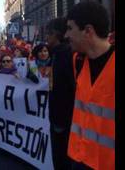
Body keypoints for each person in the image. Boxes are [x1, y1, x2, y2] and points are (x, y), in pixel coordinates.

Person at [65, 2, 115, 170]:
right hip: (79, 158)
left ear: (87, 31)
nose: (66, 35)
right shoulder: (76, 61)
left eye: (70, 28)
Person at [45, 18, 76, 170]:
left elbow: (72, 87)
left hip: (63, 121)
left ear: (56, 35)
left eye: (48, 35)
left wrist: (64, 119)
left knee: (62, 160)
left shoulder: (66, 55)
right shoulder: (56, 55)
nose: (46, 38)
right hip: (57, 118)